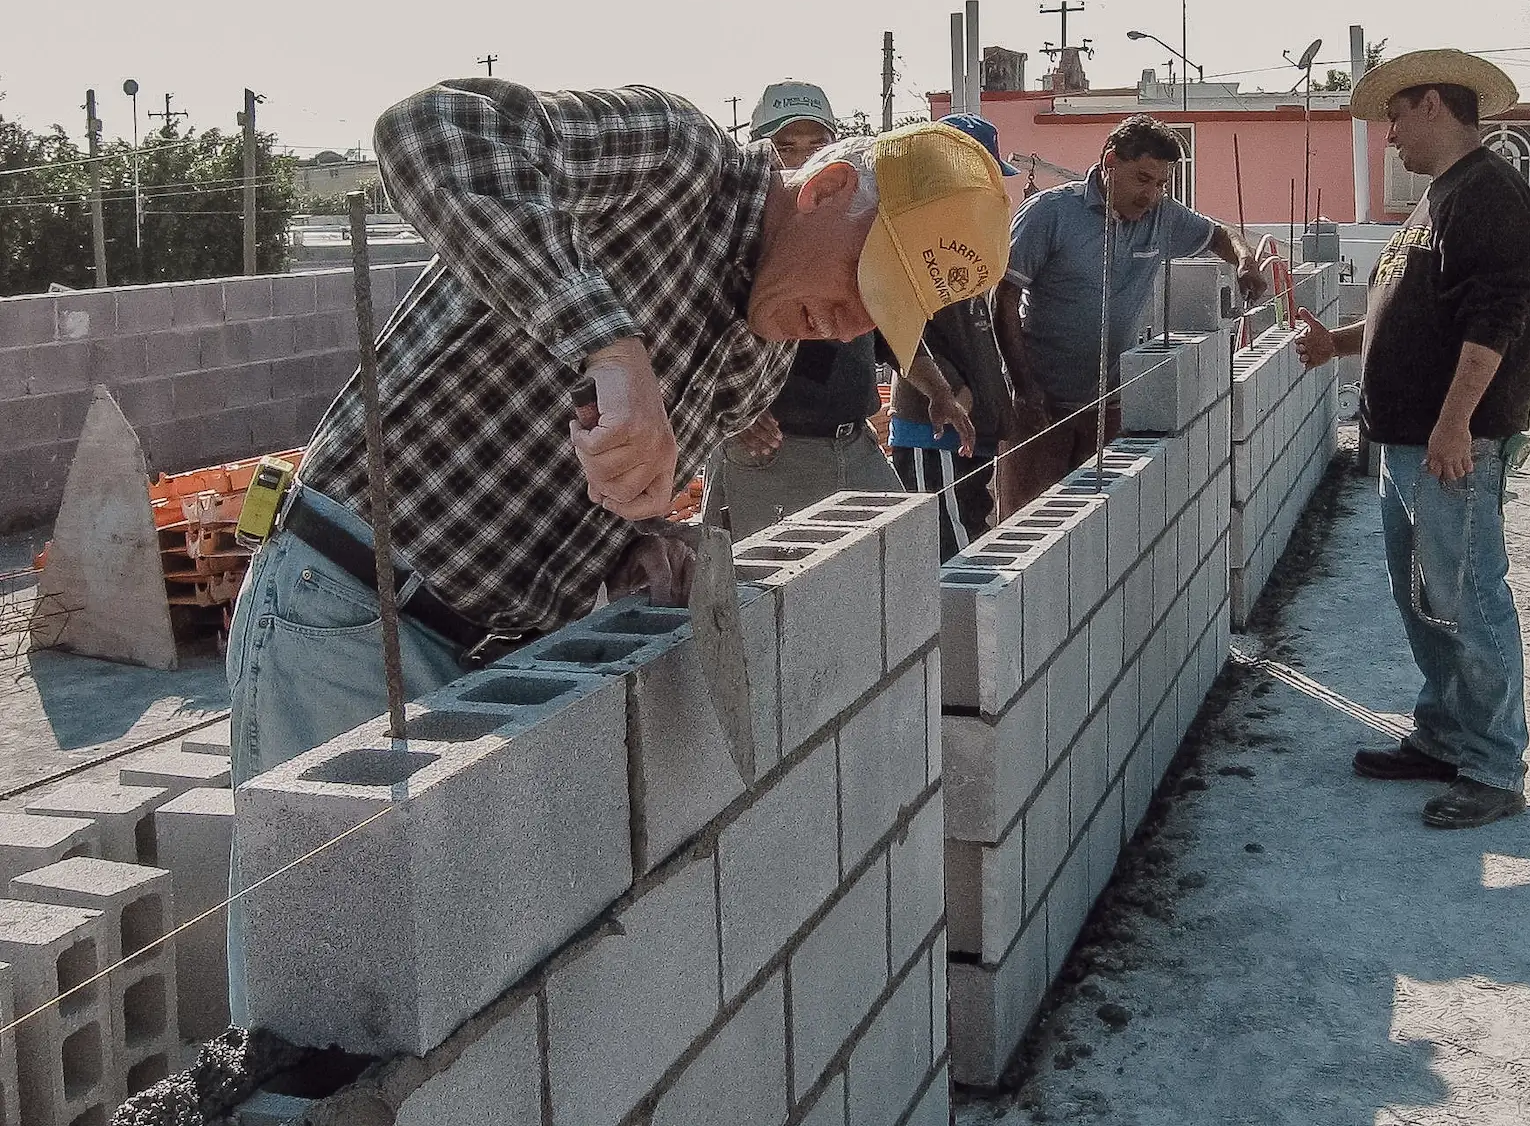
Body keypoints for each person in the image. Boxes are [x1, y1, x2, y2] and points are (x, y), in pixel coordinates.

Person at [227, 78, 1011, 788]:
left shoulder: (760, 362)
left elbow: (587, 466)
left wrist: (642, 534)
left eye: (882, 316)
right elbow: (431, 130)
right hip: (358, 609)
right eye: (860, 283)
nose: (849, 327)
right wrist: (608, 341)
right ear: (828, 189)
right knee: (337, 933)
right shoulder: (677, 160)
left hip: (504, 655)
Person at [1295, 49, 1530, 830]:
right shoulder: (1441, 198)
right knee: (1426, 604)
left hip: (1447, 445)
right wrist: (1336, 345)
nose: (1392, 137)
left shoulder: (1490, 194)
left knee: (1468, 600)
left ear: (1434, 105)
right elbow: (1411, 312)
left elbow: (1494, 317)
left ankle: (1493, 766)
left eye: (1397, 118)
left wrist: (1455, 424)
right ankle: (1445, 738)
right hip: (1409, 443)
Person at [702, 81, 972, 536]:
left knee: (894, 566)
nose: (803, 159)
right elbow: (681, 346)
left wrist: (940, 393)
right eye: (786, 146)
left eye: (818, 144)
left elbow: (892, 329)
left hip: (855, 445)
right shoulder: (730, 237)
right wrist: (731, 417)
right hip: (769, 457)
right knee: (773, 598)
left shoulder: (857, 228)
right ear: (760, 154)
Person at [994, 114, 1266, 518]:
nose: (1152, 195)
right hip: (1040, 406)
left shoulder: (1162, 217)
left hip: (1110, 404)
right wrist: (1023, 386)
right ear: (1109, 163)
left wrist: (1245, 261)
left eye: (1160, 184)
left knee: (1100, 528)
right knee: (1030, 527)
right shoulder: (1049, 214)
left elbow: (1219, 235)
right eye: (1142, 179)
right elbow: (1004, 299)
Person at [888, 114, 1021, 559]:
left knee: (972, 535)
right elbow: (898, 332)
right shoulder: (906, 241)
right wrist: (954, 392)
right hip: (937, 430)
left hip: (970, 427)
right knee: (951, 558)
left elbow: (977, 336)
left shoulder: (963, 238)